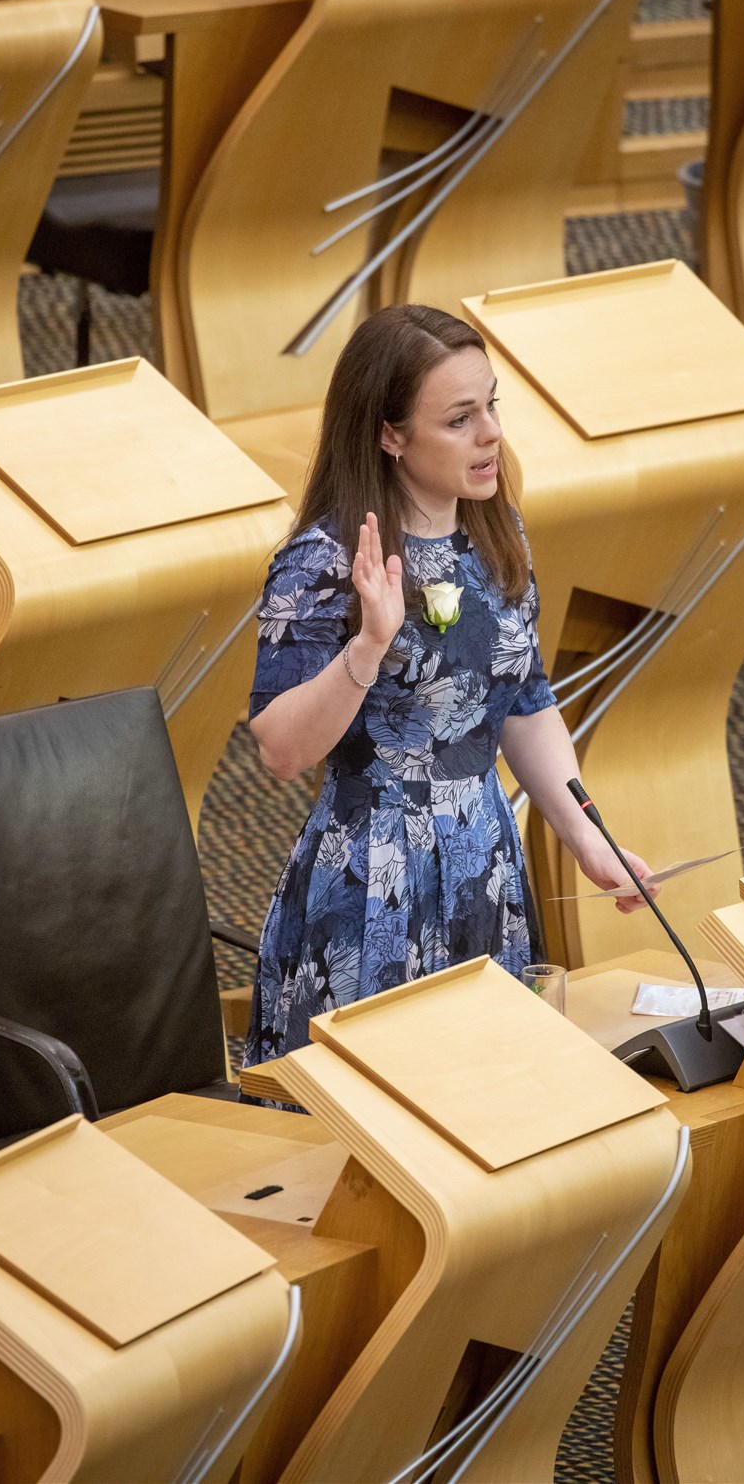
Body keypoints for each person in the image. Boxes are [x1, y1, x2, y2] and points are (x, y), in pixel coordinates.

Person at [243, 304, 656, 1064]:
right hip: (374, 877)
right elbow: (280, 750)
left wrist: (589, 841)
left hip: (484, 863)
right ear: (390, 434)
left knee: (485, 1100)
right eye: (460, 419)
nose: (491, 433)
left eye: (491, 405)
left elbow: (524, 704)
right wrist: (368, 644)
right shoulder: (324, 561)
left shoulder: (496, 531)